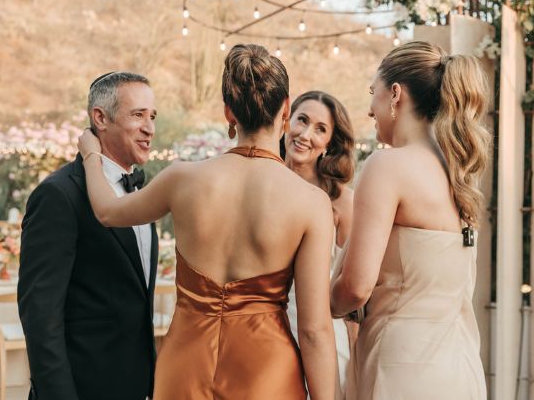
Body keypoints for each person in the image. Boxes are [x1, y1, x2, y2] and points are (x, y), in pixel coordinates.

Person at [78, 44, 336, 400]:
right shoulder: (311, 202)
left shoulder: (182, 179)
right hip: (265, 372)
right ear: (287, 110)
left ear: (229, 112)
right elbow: (314, 331)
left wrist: (92, 155)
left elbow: (106, 211)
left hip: (183, 366)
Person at [332, 42, 489, 399]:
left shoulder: (387, 166)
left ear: (396, 94)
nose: (370, 107)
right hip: (460, 368)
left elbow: (355, 287)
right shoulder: (459, 172)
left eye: (374, 92)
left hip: (403, 368)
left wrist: (320, 303)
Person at [18, 72, 158, 400]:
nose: (150, 128)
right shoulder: (58, 195)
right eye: (137, 115)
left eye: (152, 117)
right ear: (100, 118)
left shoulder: (142, 193)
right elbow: (41, 317)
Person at [284, 90, 357, 394]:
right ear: (286, 120)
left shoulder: (341, 201)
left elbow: (352, 291)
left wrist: (356, 363)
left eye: (320, 129)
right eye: (301, 120)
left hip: (325, 331)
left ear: (330, 144)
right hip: (268, 328)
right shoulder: (262, 181)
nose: (305, 134)